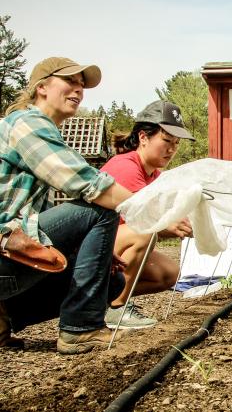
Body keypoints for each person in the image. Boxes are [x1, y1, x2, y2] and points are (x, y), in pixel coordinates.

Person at [0, 57, 134, 354]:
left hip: (10, 252)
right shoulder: (27, 124)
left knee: (110, 279)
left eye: (82, 85)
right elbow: (91, 185)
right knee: (100, 208)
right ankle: (81, 329)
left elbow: (42, 217)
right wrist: (157, 210)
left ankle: (3, 317)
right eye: (70, 81)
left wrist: (94, 252)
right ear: (42, 87)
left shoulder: (43, 132)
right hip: (3, 251)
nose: (78, 90)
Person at [100, 101, 195, 329]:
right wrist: (169, 225)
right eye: (166, 141)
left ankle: (98, 301)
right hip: (89, 250)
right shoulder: (126, 166)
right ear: (143, 137)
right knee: (145, 234)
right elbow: (140, 220)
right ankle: (116, 307)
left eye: (176, 143)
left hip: (110, 249)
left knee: (168, 274)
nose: (171, 149)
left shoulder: (153, 176)